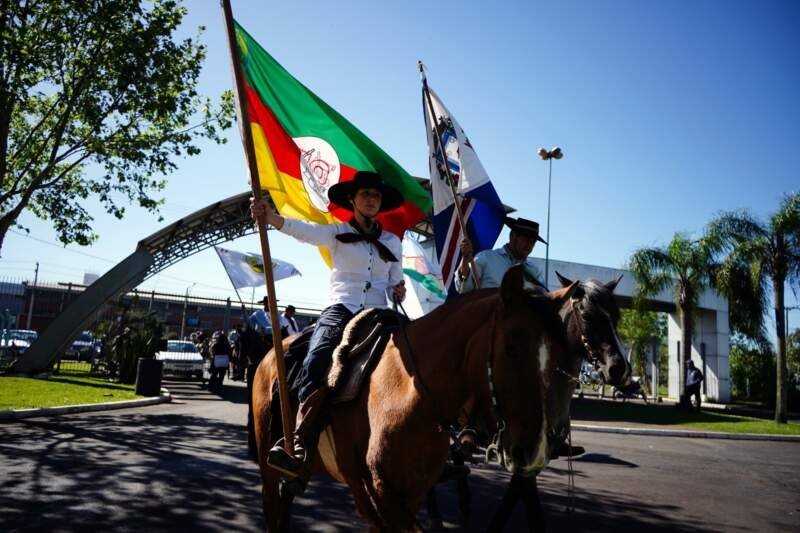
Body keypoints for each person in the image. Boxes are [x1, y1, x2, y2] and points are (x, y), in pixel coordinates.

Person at [250, 170, 406, 488]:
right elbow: (304, 231)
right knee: (318, 357)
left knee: (421, 353)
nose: (371, 199)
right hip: (342, 309)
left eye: (376, 196)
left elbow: (394, 282)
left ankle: (442, 439)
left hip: (380, 312)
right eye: (365, 194)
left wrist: (398, 289)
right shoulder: (336, 232)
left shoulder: (393, 242)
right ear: (352, 200)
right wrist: (270, 218)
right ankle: (301, 439)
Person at [455, 216, 546, 294]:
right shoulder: (486, 258)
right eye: (525, 240)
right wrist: (465, 258)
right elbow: (464, 288)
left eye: (533, 242)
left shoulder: (534, 272)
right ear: (512, 236)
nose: (529, 245)